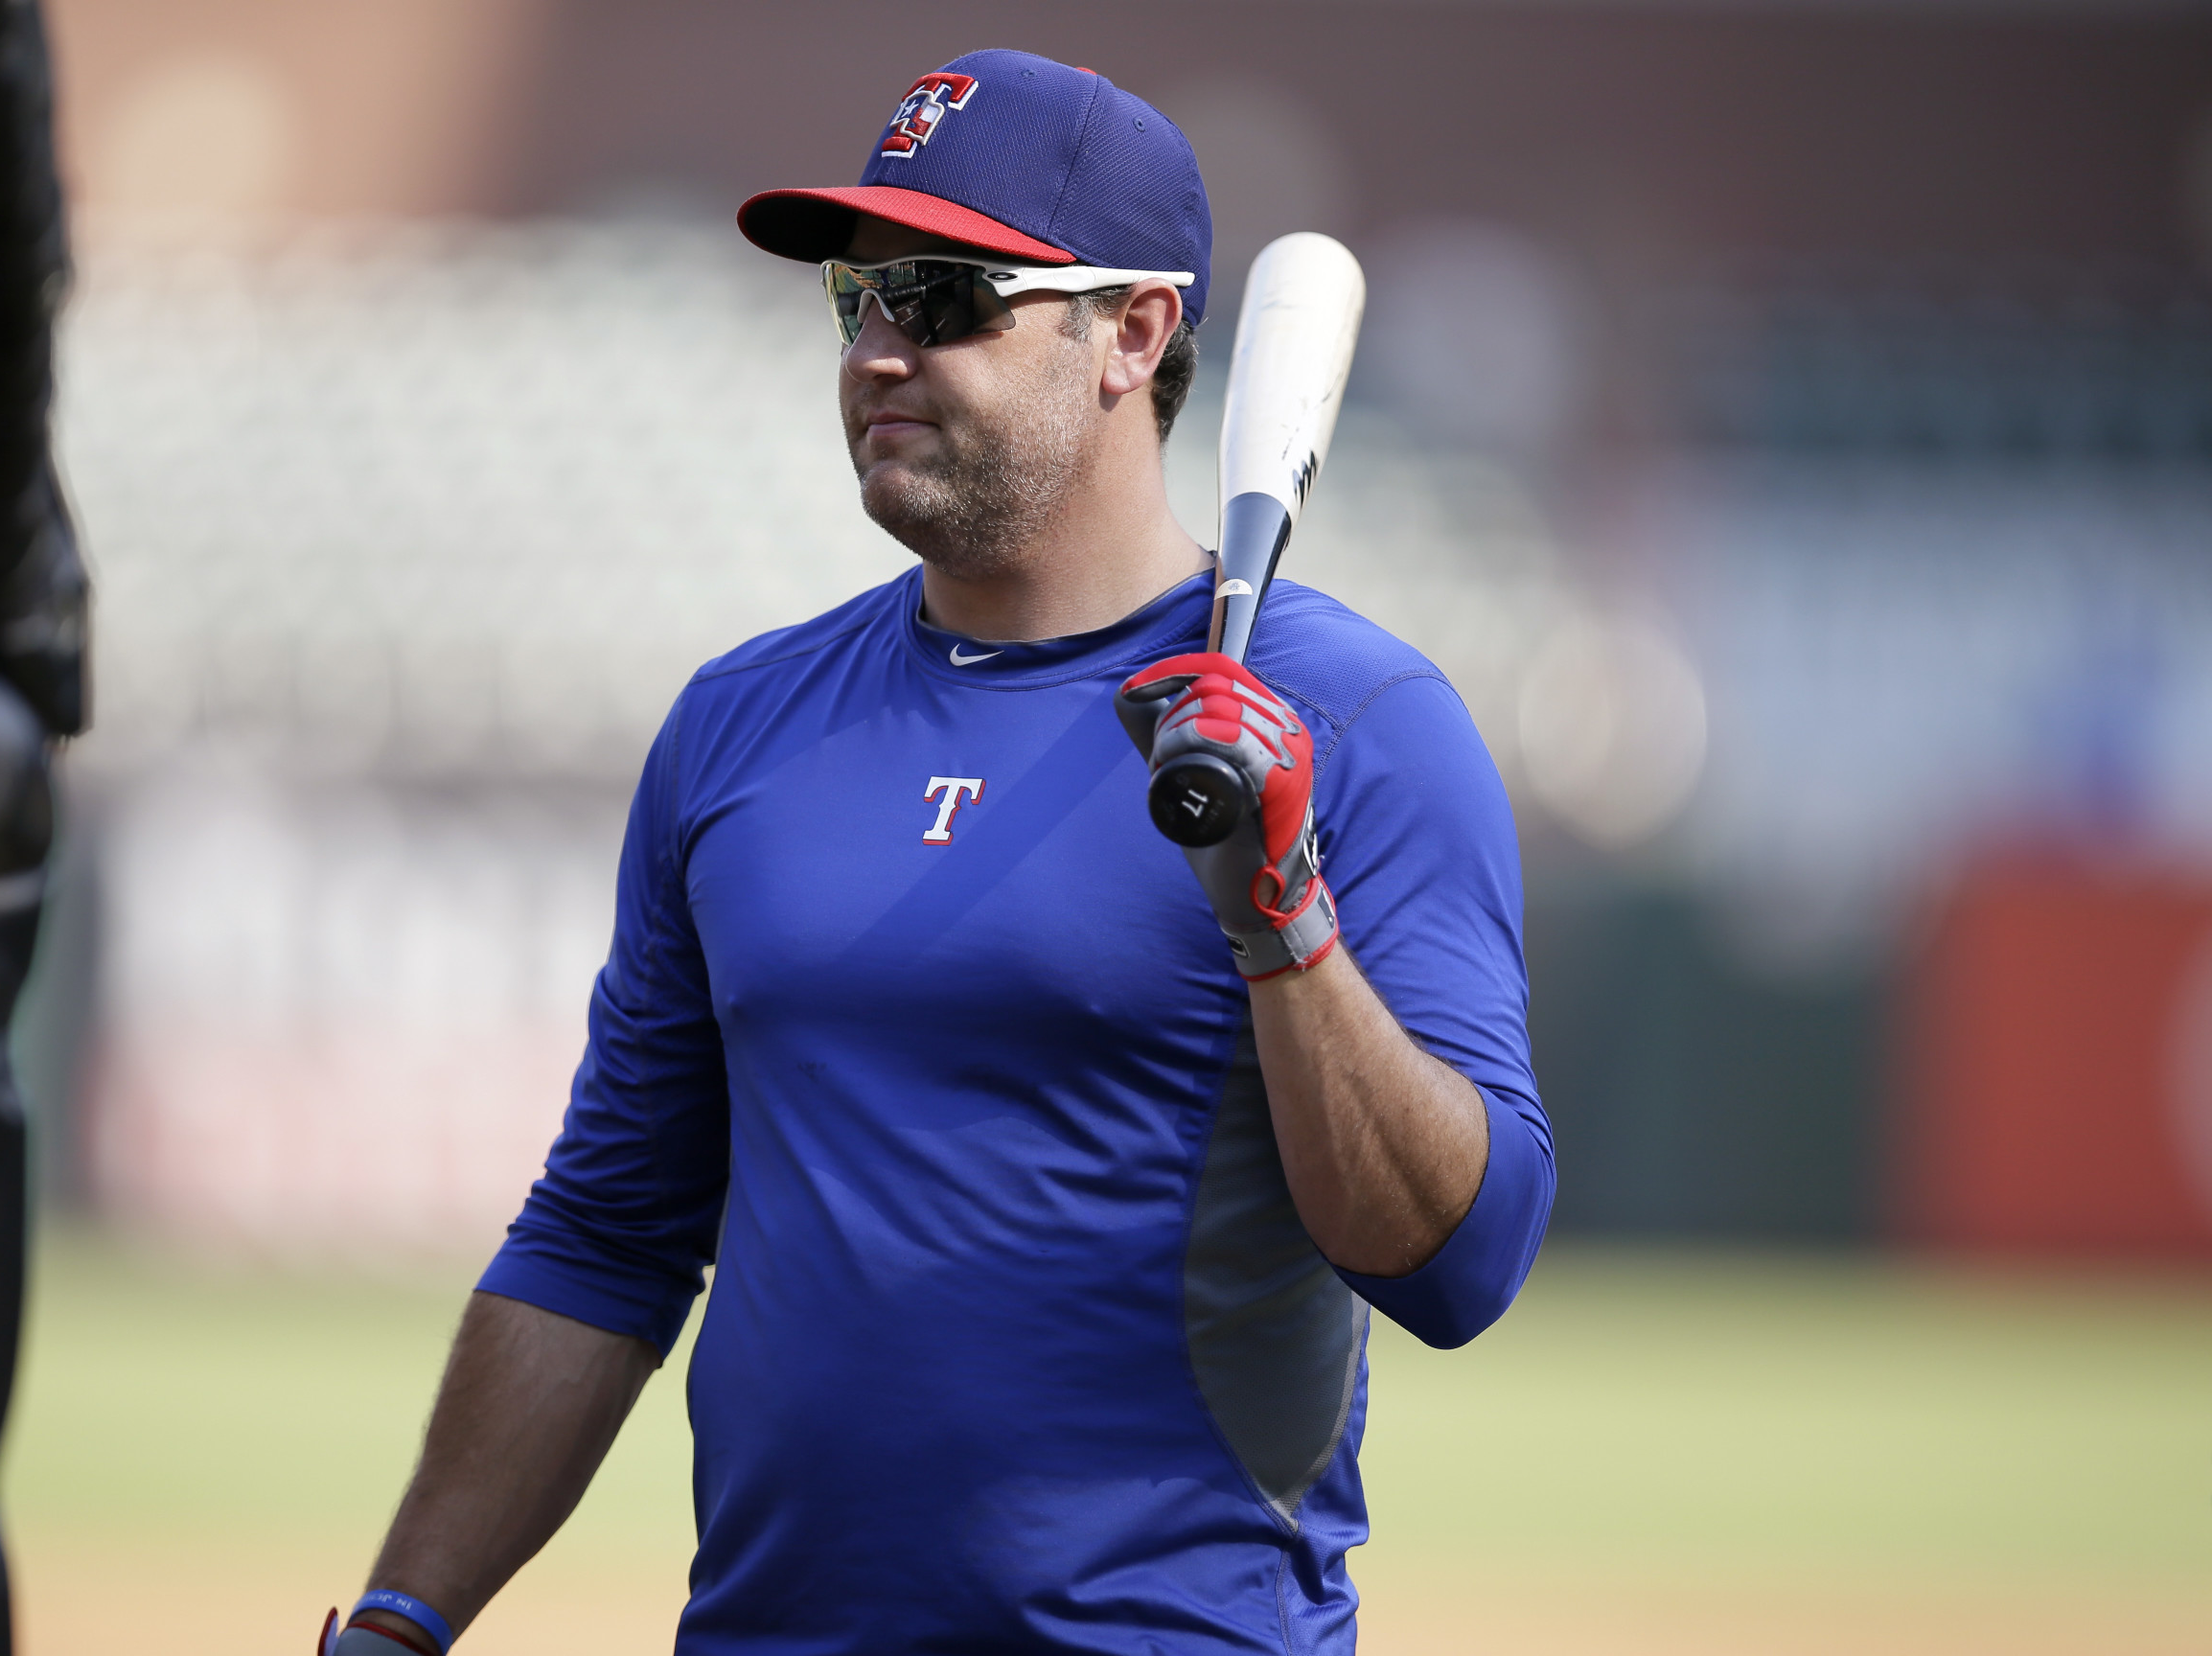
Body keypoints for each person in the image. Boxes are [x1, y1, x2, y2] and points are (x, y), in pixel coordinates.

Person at [321, 48, 1554, 1656]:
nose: (880, 351)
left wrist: (1281, 914)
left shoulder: (1361, 723)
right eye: (858, 299)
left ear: (1135, 333)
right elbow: (609, 1237)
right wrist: (403, 1624)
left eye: (947, 296)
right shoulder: (741, 724)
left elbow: (1461, 1264)